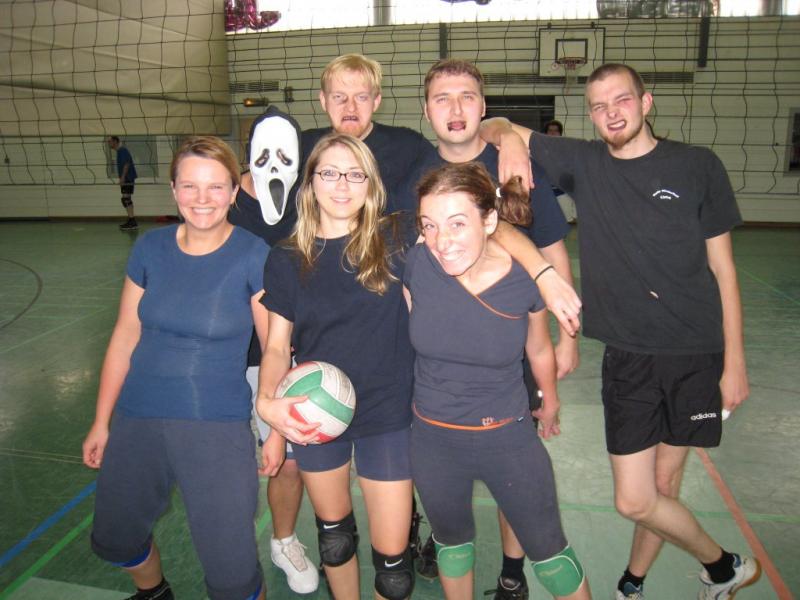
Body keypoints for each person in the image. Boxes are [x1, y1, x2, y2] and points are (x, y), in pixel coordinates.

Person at [481, 63, 759, 600]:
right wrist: (511, 141)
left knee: (663, 487)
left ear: (646, 102)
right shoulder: (584, 162)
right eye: (599, 106)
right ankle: (725, 565)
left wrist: (735, 363)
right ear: (590, 114)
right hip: (628, 357)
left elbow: (724, 271)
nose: (612, 113)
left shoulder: (697, 165)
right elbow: (493, 122)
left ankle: (633, 582)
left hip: (696, 352)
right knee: (635, 499)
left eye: (622, 100)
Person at [405, 58, 578, 600]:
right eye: (442, 98)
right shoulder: (413, 168)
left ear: (484, 106)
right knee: (453, 524)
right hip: (436, 394)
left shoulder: (514, 166)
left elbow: (549, 252)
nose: (455, 109)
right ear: (426, 110)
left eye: (467, 98)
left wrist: (566, 333)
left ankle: (512, 568)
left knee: (522, 499)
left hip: (508, 348)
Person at [82, 136, 269, 600]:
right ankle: (154, 592)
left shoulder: (254, 254)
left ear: (234, 191)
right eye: (190, 186)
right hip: (138, 416)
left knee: (233, 574)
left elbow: (274, 349)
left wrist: (276, 430)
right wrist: (102, 421)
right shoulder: (150, 248)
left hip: (215, 424)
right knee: (117, 538)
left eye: (216, 186)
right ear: (173, 189)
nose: (202, 198)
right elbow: (125, 334)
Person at [255, 133, 418, 600]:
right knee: (335, 540)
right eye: (329, 173)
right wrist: (268, 409)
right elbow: (276, 347)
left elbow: (477, 218)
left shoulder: (397, 238)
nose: (342, 184)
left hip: (388, 412)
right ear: (309, 183)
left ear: (371, 183)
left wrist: (545, 276)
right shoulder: (286, 257)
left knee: (394, 571)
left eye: (354, 174)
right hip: (316, 412)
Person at [228, 106, 319, 594]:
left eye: (285, 155)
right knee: (229, 461)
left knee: (287, 459)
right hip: (226, 354)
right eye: (263, 154)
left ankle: (284, 540)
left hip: (287, 349)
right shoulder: (222, 199)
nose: (273, 163)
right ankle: (227, 544)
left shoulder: (312, 201)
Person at [542, 120, 577, 224]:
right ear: (546, 133)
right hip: (546, 191)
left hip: (563, 190)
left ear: (560, 133)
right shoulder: (539, 149)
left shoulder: (567, 149)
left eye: (556, 131)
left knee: (569, 220)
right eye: (550, 130)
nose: (553, 133)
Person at [107, 136, 139, 231]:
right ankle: (131, 220)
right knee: (126, 199)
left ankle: (132, 222)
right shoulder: (119, 151)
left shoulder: (122, 150)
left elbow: (127, 164)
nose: (109, 143)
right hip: (127, 178)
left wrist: (123, 177)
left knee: (126, 199)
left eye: (110, 141)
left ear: (115, 141)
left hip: (128, 178)